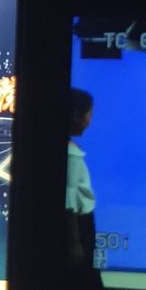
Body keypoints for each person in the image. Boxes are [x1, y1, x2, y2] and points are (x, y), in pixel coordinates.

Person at [65, 88, 99, 279]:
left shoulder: (72, 148)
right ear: (77, 115)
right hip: (79, 225)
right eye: (89, 114)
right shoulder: (71, 153)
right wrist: (74, 243)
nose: (90, 121)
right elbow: (68, 201)